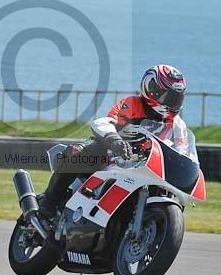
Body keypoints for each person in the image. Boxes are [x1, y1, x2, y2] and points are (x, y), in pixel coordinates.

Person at [38, 64, 189, 217]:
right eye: (169, 96)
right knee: (79, 151)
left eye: (177, 98)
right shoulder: (132, 104)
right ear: (151, 89)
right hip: (112, 158)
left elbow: (183, 150)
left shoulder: (177, 124)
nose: (173, 103)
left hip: (147, 167)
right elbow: (105, 122)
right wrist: (115, 140)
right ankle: (49, 201)